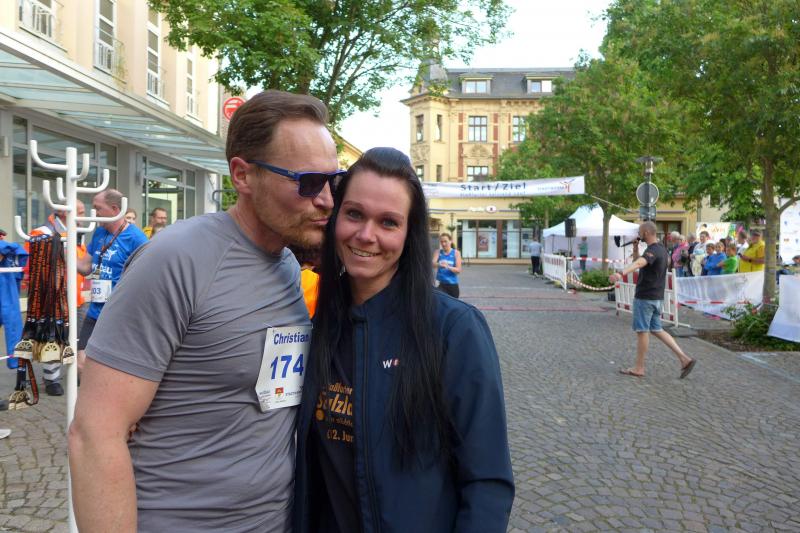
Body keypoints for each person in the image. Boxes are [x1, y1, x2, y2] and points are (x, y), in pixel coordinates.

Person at [69, 90, 343, 533]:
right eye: (309, 182)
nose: (327, 199)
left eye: (334, 181)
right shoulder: (176, 259)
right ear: (243, 175)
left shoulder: (289, 267)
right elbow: (94, 433)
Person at [293, 148, 514, 533]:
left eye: (388, 222)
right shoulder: (319, 324)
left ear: (409, 233)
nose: (366, 235)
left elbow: (487, 482)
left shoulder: (454, 329)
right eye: (354, 214)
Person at [73, 191, 148, 373]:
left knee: (113, 367)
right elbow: (85, 267)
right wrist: (62, 250)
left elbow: (146, 278)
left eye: (98, 208)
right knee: (81, 363)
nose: (94, 213)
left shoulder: (136, 238)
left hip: (119, 313)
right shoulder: (99, 233)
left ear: (114, 209)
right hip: (95, 310)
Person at [609, 221, 696, 379]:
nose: (638, 235)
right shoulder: (662, 249)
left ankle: (639, 368)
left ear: (646, 233)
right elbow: (641, 262)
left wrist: (621, 273)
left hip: (645, 297)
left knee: (642, 331)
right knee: (657, 329)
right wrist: (636, 249)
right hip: (657, 297)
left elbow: (640, 263)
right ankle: (684, 359)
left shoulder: (653, 250)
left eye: (640, 232)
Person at [27, 201, 88, 396]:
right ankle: (51, 378)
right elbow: (34, 264)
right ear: (63, 212)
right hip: (54, 299)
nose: (83, 217)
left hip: (76, 298)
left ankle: (75, 370)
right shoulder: (42, 232)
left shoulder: (78, 233)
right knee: (53, 338)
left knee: (78, 338)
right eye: (80, 212)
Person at [433, 232, 462, 298]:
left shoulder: (456, 253)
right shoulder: (438, 252)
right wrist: (439, 264)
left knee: (453, 304)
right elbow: (432, 264)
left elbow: (458, 270)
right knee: (439, 302)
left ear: (450, 241)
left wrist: (448, 267)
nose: (443, 244)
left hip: (452, 285)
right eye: (441, 242)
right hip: (440, 284)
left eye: (445, 241)